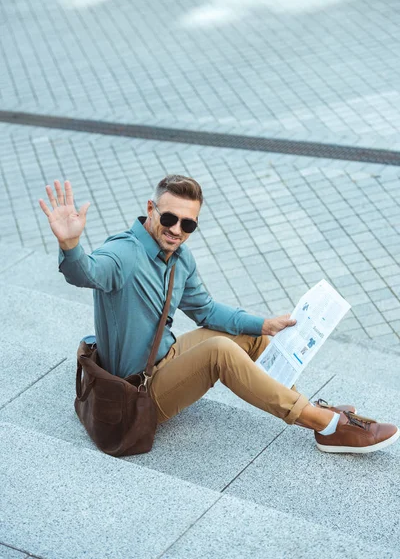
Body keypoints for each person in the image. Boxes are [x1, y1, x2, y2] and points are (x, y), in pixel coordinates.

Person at [39, 175, 399, 454]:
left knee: (253, 336)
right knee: (220, 352)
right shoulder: (123, 255)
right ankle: (326, 423)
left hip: (164, 360)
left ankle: (308, 410)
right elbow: (85, 272)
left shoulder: (180, 259)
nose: (176, 230)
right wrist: (70, 245)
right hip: (136, 392)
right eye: (168, 217)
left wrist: (264, 324)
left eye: (188, 224)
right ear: (151, 208)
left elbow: (206, 311)